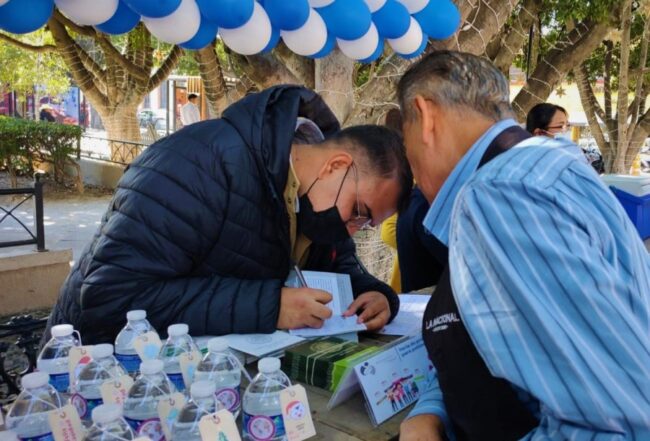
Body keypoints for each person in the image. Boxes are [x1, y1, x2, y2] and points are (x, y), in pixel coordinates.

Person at [397, 51, 650, 440]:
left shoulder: (499, 194)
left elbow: (617, 423)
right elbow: (519, 345)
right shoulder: (548, 164)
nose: (412, 166)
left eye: (405, 141)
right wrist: (434, 406)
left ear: (425, 116)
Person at [45, 85, 412, 344]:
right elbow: (109, 300)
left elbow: (341, 271)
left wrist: (376, 295)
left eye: (366, 224)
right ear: (335, 165)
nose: (351, 231)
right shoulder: (195, 164)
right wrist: (269, 307)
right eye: (358, 213)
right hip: (94, 374)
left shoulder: (317, 196)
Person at [527, 102, 604, 173]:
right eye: (560, 126)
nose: (565, 130)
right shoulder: (528, 164)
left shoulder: (575, 154)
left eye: (567, 125)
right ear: (539, 133)